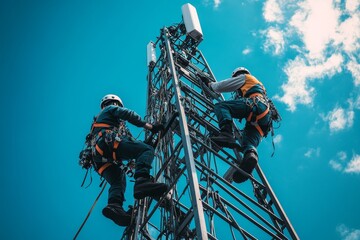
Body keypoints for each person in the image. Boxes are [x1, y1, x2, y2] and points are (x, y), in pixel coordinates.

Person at [89, 94, 168, 227]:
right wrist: (151, 127)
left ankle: (115, 206)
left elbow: (130, 144)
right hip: (109, 144)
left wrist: (140, 147)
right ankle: (142, 181)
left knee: (118, 180)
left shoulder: (104, 122)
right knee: (146, 150)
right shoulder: (110, 109)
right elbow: (128, 114)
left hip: (99, 158)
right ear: (115, 103)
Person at [198, 67, 272, 183]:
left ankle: (226, 133)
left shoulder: (244, 78)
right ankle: (250, 156)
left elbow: (218, 87)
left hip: (255, 105)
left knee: (221, 106)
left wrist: (209, 83)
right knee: (248, 142)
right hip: (265, 117)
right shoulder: (258, 86)